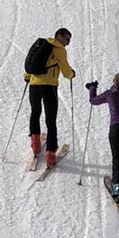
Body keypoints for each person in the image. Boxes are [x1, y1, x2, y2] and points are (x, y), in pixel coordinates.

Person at [24, 28, 76, 166]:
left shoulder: (40, 45)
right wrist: (72, 74)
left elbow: (31, 64)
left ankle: (35, 143)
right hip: (49, 87)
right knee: (50, 119)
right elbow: (66, 71)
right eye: (67, 39)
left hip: (34, 85)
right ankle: (50, 153)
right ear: (59, 36)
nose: (68, 43)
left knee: (35, 113)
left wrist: (27, 77)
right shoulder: (59, 49)